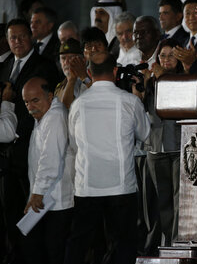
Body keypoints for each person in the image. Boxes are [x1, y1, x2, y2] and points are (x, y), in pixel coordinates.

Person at [64, 50, 150, 264]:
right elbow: (145, 135)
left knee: (79, 243)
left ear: (89, 73)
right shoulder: (130, 102)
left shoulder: (78, 104)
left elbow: (74, 143)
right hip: (121, 186)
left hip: (88, 185)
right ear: (114, 70)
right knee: (124, 244)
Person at [0, 18, 59, 264]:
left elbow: (38, 108)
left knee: (32, 214)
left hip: (30, 150)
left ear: (31, 37)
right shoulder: (3, 67)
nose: (18, 42)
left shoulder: (43, 65)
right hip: (6, 157)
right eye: (13, 37)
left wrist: (12, 130)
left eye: (22, 36)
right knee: (9, 214)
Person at [138, 38, 184, 253]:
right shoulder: (150, 81)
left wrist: (161, 77)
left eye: (171, 55)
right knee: (161, 202)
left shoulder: (185, 79)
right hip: (155, 147)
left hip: (178, 147)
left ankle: (177, 244)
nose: (166, 60)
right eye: (163, 56)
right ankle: (165, 244)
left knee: (178, 201)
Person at [22, 77, 74, 264]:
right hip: (47, 200)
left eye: (35, 100)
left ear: (50, 96)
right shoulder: (45, 115)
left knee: (54, 251)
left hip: (55, 200)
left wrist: (37, 193)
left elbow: (50, 160)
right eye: (26, 102)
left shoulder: (54, 116)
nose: (30, 106)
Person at [54, 38, 90, 109]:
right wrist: (71, 81)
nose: (66, 62)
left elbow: (97, 93)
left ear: (83, 60)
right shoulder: (60, 87)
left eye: (71, 58)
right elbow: (65, 109)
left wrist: (84, 77)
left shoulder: (91, 79)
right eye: (63, 58)